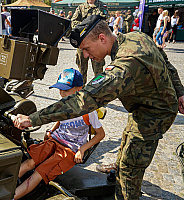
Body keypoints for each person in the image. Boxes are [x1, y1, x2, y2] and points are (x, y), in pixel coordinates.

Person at [13, 15, 184, 199]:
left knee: (129, 170)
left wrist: (33, 119)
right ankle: (119, 164)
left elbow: (83, 101)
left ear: (102, 38)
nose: (85, 55)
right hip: (147, 104)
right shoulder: (137, 36)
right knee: (127, 137)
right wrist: (180, 91)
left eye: (86, 48)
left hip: (154, 114)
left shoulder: (124, 67)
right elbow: (166, 61)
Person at [13, 68, 105, 200]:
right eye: (60, 90)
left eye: (66, 90)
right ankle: (2, 188)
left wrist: (82, 149)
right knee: (29, 163)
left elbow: (100, 134)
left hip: (69, 149)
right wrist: (51, 130)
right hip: (54, 140)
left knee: (38, 175)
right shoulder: (63, 104)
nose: (62, 94)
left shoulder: (88, 111)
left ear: (78, 89)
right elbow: (59, 120)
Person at [71, 0, 108, 85]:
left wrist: (86, 27)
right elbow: (73, 21)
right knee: (82, 68)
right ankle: (82, 90)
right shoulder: (81, 7)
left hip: (96, 43)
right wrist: (86, 26)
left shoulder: (102, 6)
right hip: (82, 43)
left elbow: (103, 21)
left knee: (98, 70)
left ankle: (98, 90)